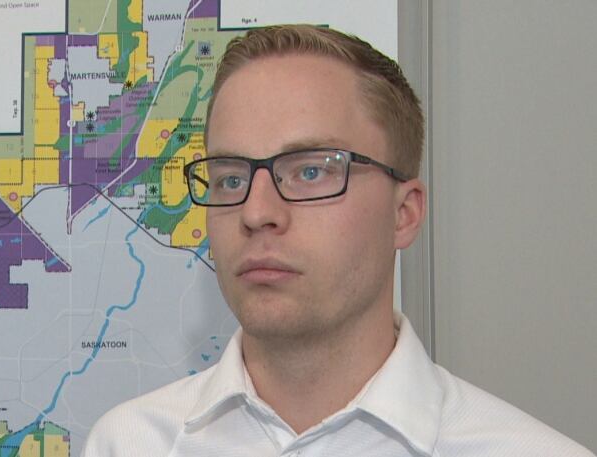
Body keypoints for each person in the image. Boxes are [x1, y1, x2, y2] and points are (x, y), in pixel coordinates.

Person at [81, 24, 595, 456]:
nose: (256, 213)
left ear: (404, 214)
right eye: (232, 178)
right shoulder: (128, 443)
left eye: (310, 172)